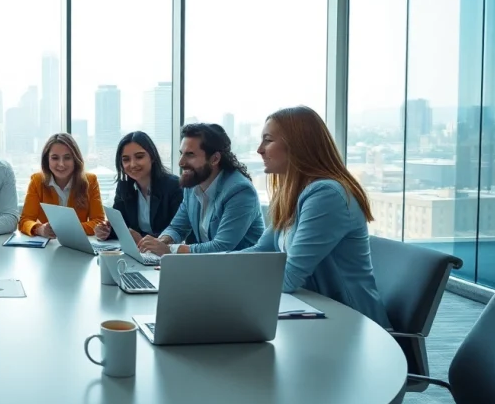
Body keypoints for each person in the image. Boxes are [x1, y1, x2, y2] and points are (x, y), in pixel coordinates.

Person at [238, 106, 391, 328]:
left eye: (268, 140)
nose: (259, 150)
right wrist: (206, 266)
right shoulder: (292, 193)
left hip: (353, 324)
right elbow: (262, 251)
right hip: (313, 312)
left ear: (297, 145)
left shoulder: (327, 195)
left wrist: (228, 280)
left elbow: (289, 277)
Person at [138, 123, 264, 255]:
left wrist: (170, 250)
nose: (181, 162)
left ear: (215, 159)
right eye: (181, 153)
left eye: (190, 155)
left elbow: (222, 246)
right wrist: (161, 242)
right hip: (207, 265)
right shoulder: (193, 184)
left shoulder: (240, 191)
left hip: (240, 266)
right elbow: (177, 228)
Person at [95, 131, 183, 243]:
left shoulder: (174, 186)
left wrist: (142, 239)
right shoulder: (124, 187)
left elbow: (178, 230)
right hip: (138, 250)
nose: (132, 164)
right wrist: (106, 231)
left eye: (139, 157)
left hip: (165, 250)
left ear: (152, 157)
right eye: (126, 159)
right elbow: (122, 226)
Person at [19, 133, 105, 237]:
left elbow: (99, 222)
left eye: (67, 158)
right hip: (49, 244)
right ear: (47, 160)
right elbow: (25, 221)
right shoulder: (37, 181)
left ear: (75, 159)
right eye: (55, 158)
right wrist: (40, 229)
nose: (61, 164)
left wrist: (68, 229)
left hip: (77, 242)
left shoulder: (90, 181)